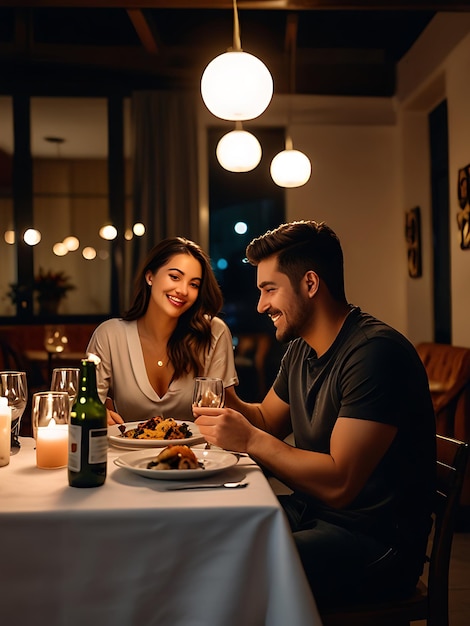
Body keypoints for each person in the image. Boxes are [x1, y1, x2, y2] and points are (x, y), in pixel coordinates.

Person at [193, 220, 436, 609]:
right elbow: (268, 421)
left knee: (230, 567)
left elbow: (341, 484)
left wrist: (250, 439)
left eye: (269, 289)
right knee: (211, 533)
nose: (260, 306)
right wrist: (224, 395)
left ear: (310, 283)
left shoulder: (373, 353)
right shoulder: (302, 350)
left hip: (373, 543)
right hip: (315, 515)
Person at [87, 237, 238, 424]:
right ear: (150, 277)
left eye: (194, 284)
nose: (183, 290)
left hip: (198, 452)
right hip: (128, 451)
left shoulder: (213, 332)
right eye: (175, 277)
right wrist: (99, 413)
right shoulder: (109, 335)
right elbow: (88, 405)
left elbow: (221, 414)